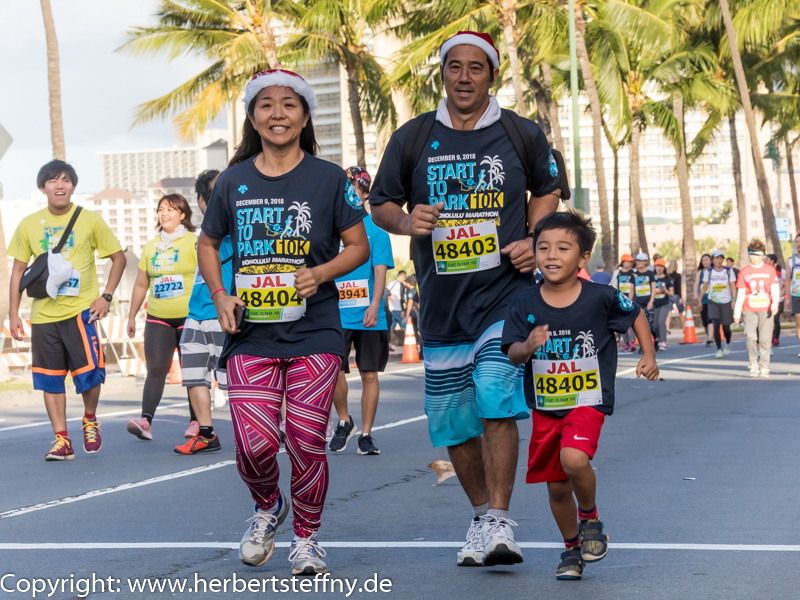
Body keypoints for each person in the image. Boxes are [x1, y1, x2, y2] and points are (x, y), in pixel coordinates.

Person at [370, 31, 562, 567]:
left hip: (506, 295)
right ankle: (481, 516)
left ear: (491, 76)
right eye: (454, 67)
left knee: (497, 397)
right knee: (454, 418)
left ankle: (501, 520)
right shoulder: (413, 137)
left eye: (476, 68)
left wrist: (534, 235)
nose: (464, 77)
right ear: (443, 74)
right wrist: (408, 221)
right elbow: (381, 201)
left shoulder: (520, 133)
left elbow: (548, 188)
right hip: (442, 300)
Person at [197, 69, 369, 575]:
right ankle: (267, 506)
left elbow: (358, 246)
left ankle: (308, 538)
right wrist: (220, 294)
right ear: (252, 116)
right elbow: (207, 243)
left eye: (289, 105)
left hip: (315, 329)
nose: (278, 114)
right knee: (253, 444)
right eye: (266, 105)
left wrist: (320, 273)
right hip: (250, 333)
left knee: (306, 438)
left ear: (305, 115)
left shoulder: (330, 178)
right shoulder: (233, 180)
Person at [501, 211, 658, 581]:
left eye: (563, 248)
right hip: (546, 407)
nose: (551, 255)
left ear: (583, 258)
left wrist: (648, 355)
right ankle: (572, 549)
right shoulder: (524, 303)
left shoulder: (600, 297)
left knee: (573, 459)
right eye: (543, 248)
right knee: (556, 486)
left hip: (587, 401)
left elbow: (634, 313)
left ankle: (590, 517)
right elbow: (512, 353)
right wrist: (528, 345)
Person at [8, 160, 126, 461]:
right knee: (50, 379)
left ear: (73, 186)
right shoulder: (29, 224)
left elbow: (118, 258)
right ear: (42, 187)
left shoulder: (90, 220)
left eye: (65, 180)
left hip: (80, 312)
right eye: (52, 181)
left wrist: (106, 297)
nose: (59, 186)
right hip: (43, 316)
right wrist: (13, 313)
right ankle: (61, 439)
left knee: (90, 375)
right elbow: (17, 271)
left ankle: (89, 418)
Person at [329, 166, 394, 456]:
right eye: (346, 188)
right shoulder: (330, 231)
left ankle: (366, 434)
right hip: (336, 314)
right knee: (332, 372)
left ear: (365, 194)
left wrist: (374, 305)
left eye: (355, 188)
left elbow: (379, 273)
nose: (351, 193)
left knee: (369, 374)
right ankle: (345, 420)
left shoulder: (377, 233)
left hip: (370, 314)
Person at [126, 194, 198, 441]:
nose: (164, 213)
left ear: (183, 214)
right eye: (160, 209)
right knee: (155, 371)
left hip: (190, 318)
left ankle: (197, 422)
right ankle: (145, 421)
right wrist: (132, 316)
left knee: (192, 373)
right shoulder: (151, 246)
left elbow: (208, 277)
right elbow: (140, 284)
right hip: (158, 317)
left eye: (170, 209)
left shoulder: (195, 242)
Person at [173, 170, 234, 455]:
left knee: (234, 380)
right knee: (195, 377)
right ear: (201, 201)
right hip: (195, 314)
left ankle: (271, 429)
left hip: (225, 312)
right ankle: (206, 434)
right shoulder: (201, 236)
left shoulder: (238, 225)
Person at [733, 239, 780, 378]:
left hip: (766, 309)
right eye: (752, 254)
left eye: (757, 255)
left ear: (763, 255)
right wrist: (737, 312)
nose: (754, 258)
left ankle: (764, 365)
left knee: (765, 339)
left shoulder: (770, 270)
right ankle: (753, 363)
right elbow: (741, 292)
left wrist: (775, 303)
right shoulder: (744, 271)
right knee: (750, 336)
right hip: (749, 308)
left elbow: (775, 289)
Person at [700, 250, 736, 358]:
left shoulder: (728, 271)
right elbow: (704, 286)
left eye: (721, 258)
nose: (719, 261)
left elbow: (733, 286)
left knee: (726, 327)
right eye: (717, 258)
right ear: (713, 260)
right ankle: (719, 349)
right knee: (715, 324)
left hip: (726, 301)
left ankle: (728, 343)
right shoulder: (709, 272)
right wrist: (700, 300)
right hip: (713, 301)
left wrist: (734, 300)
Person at [631, 253, 657, 347]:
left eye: (641, 261)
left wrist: (651, 301)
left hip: (648, 303)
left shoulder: (650, 274)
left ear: (646, 262)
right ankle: (644, 346)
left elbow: (653, 289)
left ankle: (656, 339)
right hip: (637, 303)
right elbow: (631, 290)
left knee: (650, 325)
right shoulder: (634, 274)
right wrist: (629, 302)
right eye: (638, 260)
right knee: (640, 326)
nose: (639, 262)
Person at [611, 254, 635, 352]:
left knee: (632, 322)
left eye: (630, 262)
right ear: (623, 262)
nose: (629, 263)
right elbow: (613, 285)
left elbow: (634, 288)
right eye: (627, 261)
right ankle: (626, 343)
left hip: (631, 300)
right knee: (622, 322)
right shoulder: (617, 273)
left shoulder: (634, 273)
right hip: (620, 300)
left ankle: (632, 341)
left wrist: (630, 300)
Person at [652, 258, 674, 350]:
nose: (659, 268)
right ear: (655, 267)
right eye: (657, 266)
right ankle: (657, 340)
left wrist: (665, 290)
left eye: (661, 266)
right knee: (655, 325)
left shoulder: (668, 279)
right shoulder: (652, 278)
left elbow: (672, 293)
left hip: (664, 304)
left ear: (664, 268)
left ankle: (663, 341)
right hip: (654, 304)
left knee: (661, 322)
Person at [784, 233, 800, 357]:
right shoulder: (791, 261)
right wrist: (787, 297)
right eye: (797, 242)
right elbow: (788, 280)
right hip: (796, 295)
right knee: (799, 321)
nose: (799, 244)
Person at [694, 253, 713, 346]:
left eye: (707, 260)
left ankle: (710, 339)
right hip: (702, 298)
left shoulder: (714, 270)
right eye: (703, 260)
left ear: (711, 261)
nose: (705, 262)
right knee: (705, 320)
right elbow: (696, 284)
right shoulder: (700, 272)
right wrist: (696, 295)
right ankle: (709, 335)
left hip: (712, 298)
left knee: (710, 318)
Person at [766, 254, 784, 348]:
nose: (765, 260)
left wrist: (782, 293)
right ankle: (771, 336)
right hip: (767, 299)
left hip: (779, 299)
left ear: (772, 261)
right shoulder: (765, 271)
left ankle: (776, 337)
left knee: (776, 319)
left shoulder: (781, 271)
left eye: (767, 259)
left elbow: (787, 282)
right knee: (769, 319)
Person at [666, 259, 684, 333]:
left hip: (668, 295)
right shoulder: (678, 276)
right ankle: (685, 328)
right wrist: (680, 297)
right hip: (676, 295)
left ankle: (667, 328)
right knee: (681, 312)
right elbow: (679, 286)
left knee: (669, 312)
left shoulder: (667, 276)